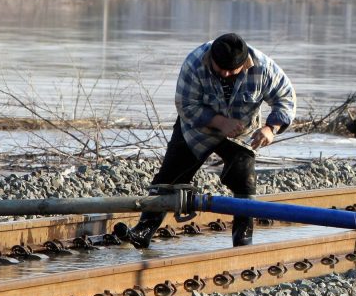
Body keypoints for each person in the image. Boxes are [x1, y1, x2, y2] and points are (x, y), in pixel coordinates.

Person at [124, 32, 296, 248]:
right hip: (196, 128)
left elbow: (286, 99)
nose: (224, 73)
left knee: (245, 180)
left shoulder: (263, 67)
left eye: (231, 71)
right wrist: (219, 122)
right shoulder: (195, 62)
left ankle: (242, 238)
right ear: (211, 59)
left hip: (240, 132)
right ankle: (144, 229)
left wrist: (271, 128)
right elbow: (185, 105)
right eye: (219, 68)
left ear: (245, 64)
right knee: (169, 177)